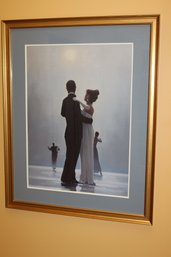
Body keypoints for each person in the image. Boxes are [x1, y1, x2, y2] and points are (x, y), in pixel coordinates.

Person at [61, 80, 93, 186]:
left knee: (69, 154)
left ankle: (65, 177)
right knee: (74, 156)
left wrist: (70, 118)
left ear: (67, 88)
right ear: (74, 87)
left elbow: (62, 113)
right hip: (76, 133)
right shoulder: (75, 101)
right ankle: (70, 178)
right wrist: (90, 120)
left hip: (68, 132)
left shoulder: (65, 100)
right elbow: (79, 117)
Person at [74, 89, 99, 185]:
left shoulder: (90, 107)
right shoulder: (87, 108)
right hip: (84, 130)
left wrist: (78, 100)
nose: (86, 96)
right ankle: (84, 176)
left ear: (91, 97)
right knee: (83, 153)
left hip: (87, 131)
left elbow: (86, 107)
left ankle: (86, 178)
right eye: (86, 95)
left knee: (86, 153)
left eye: (88, 95)